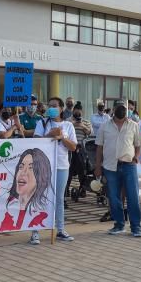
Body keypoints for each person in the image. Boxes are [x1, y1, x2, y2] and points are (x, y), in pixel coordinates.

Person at [95, 99, 141, 237]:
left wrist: (137, 157)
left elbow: (138, 143)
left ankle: (136, 227)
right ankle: (119, 225)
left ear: (127, 109)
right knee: (114, 198)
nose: (121, 109)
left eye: (123, 107)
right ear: (114, 108)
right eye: (118, 107)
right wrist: (97, 166)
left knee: (133, 197)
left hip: (129, 165)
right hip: (110, 167)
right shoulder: (105, 126)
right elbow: (99, 147)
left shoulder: (134, 125)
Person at [32, 96, 77, 243]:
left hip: (62, 165)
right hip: (44, 166)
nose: (51, 108)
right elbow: (35, 142)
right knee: (40, 196)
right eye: (49, 105)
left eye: (54, 106)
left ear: (61, 108)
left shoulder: (68, 126)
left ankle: (60, 229)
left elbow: (73, 147)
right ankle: (35, 231)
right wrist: (49, 135)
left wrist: (62, 137)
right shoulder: (42, 123)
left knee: (59, 199)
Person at [68, 103, 93, 198]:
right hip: (70, 148)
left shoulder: (86, 122)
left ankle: (83, 189)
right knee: (69, 171)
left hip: (81, 149)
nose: (78, 113)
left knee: (82, 171)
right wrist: (73, 124)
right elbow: (65, 131)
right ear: (73, 111)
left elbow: (90, 132)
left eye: (79, 111)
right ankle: (66, 190)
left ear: (82, 112)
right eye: (76, 111)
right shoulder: (68, 121)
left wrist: (82, 126)